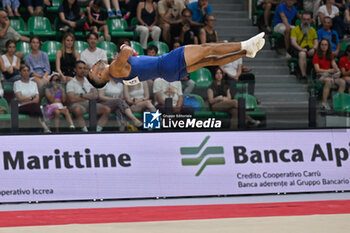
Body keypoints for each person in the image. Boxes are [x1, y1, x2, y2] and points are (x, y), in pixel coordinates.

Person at [86, 32, 266, 88]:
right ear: (100, 75)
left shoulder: (117, 76)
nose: (93, 65)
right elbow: (129, 49)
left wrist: (125, 54)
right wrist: (123, 49)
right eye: (92, 70)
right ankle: (244, 43)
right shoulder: (114, 70)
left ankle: (246, 53)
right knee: (207, 49)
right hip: (166, 63)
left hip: (168, 73)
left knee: (210, 61)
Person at [66, 60, 111, 132]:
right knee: (77, 109)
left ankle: (97, 130)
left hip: (90, 103)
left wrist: (80, 96)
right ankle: (84, 130)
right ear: (75, 70)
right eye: (80, 68)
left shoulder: (89, 81)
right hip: (78, 104)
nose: (82, 70)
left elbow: (95, 95)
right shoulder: (71, 83)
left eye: (84, 68)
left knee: (106, 109)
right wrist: (87, 95)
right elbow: (71, 99)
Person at [13, 64, 51, 133]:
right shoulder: (17, 83)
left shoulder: (33, 84)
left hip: (32, 107)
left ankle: (34, 131)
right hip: (20, 107)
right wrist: (31, 99)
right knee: (35, 107)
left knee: (33, 112)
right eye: (24, 71)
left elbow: (37, 99)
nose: (26, 72)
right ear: (20, 72)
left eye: (28, 71)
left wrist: (27, 100)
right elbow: (19, 98)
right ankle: (44, 126)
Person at [313, 39, 345, 110]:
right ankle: (323, 103)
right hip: (320, 76)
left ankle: (339, 103)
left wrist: (335, 68)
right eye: (322, 45)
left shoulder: (330, 56)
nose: (324, 46)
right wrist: (329, 70)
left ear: (328, 46)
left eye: (326, 45)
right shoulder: (316, 56)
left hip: (329, 75)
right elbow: (317, 70)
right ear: (320, 46)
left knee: (342, 82)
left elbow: (335, 66)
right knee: (329, 81)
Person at [290, 12, 318, 80]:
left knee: (320, 53)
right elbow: (293, 42)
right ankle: (304, 75)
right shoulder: (295, 29)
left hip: (311, 48)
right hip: (299, 48)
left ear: (311, 20)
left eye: (308, 20)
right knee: (302, 54)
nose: (306, 21)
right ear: (301, 20)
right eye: (304, 19)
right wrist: (301, 49)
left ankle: (318, 75)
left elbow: (316, 41)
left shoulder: (312, 30)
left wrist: (314, 49)